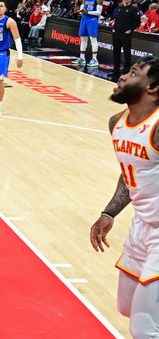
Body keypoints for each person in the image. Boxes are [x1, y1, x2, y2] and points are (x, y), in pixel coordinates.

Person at [90, 57, 159, 338]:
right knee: (126, 306)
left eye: (132, 73)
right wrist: (108, 213)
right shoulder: (116, 122)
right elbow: (130, 173)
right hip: (142, 226)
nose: (121, 77)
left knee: (143, 327)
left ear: (153, 86)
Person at [111, 0, 142, 80]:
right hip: (116, 33)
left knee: (127, 53)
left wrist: (130, 30)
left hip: (126, 34)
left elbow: (137, 22)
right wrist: (114, 28)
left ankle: (126, 71)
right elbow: (116, 20)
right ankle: (115, 70)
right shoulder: (119, 8)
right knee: (116, 52)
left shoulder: (134, 9)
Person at [74, 0, 103, 67]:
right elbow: (82, 9)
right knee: (83, 39)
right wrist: (78, 11)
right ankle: (82, 58)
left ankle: (94, 59)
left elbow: (98, 13)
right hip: (84, 18)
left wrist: (87, 12)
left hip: (92, 20)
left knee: (93, 39)